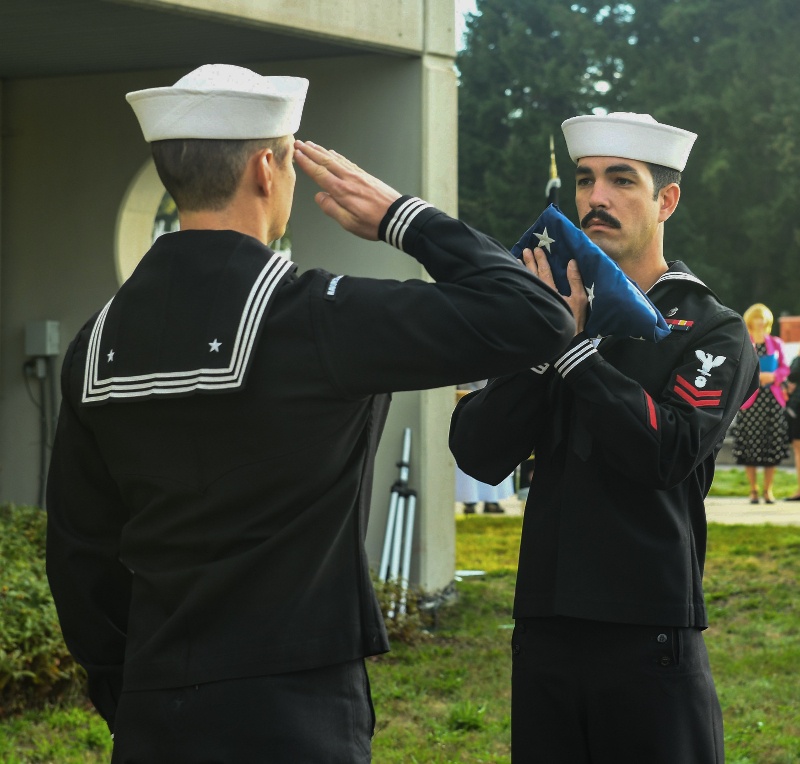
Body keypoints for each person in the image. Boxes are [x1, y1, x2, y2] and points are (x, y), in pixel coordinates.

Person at [44, 64, 574, 763]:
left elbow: (80, 556)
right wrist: (400, 217)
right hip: (292, 710)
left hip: (153, 707)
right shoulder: (317, 317)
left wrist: (129, 687)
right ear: (268, 169)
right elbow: (536, 316)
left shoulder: (97, 341)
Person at [450, 112, 759, 763]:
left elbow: (668, 450)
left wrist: (576, 354)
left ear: (666, 199)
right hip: (545, 634)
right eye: (587, 180)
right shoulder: (553, 311)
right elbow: (477, 450)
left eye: (622, 180)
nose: (597, 198)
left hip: (648, 637)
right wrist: (544, 350)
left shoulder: (710, 328)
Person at [732, 303, 790, 503]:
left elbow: (785, 368)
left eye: (763, 317)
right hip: (751, 402)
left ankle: (768, 490)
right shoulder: (744, 342)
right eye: (756, 317)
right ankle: (753, 490)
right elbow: (739, 367)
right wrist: (758, 375)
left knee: (771, 446)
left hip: (772, 401)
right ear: (750, 320)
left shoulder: (776, 343)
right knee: (750, 446)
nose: (760, 321)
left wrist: (773, 376)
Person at [455, 381, 515, 513]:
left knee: (493, 456)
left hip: (494, 409)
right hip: (470, 408)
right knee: (470, 455)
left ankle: (492, 501)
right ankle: (470, 501)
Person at [783, 352, 800, 500]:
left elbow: (791, 379)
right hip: (796, 409)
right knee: (798, 449)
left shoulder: (798, 359)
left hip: (797, 407)